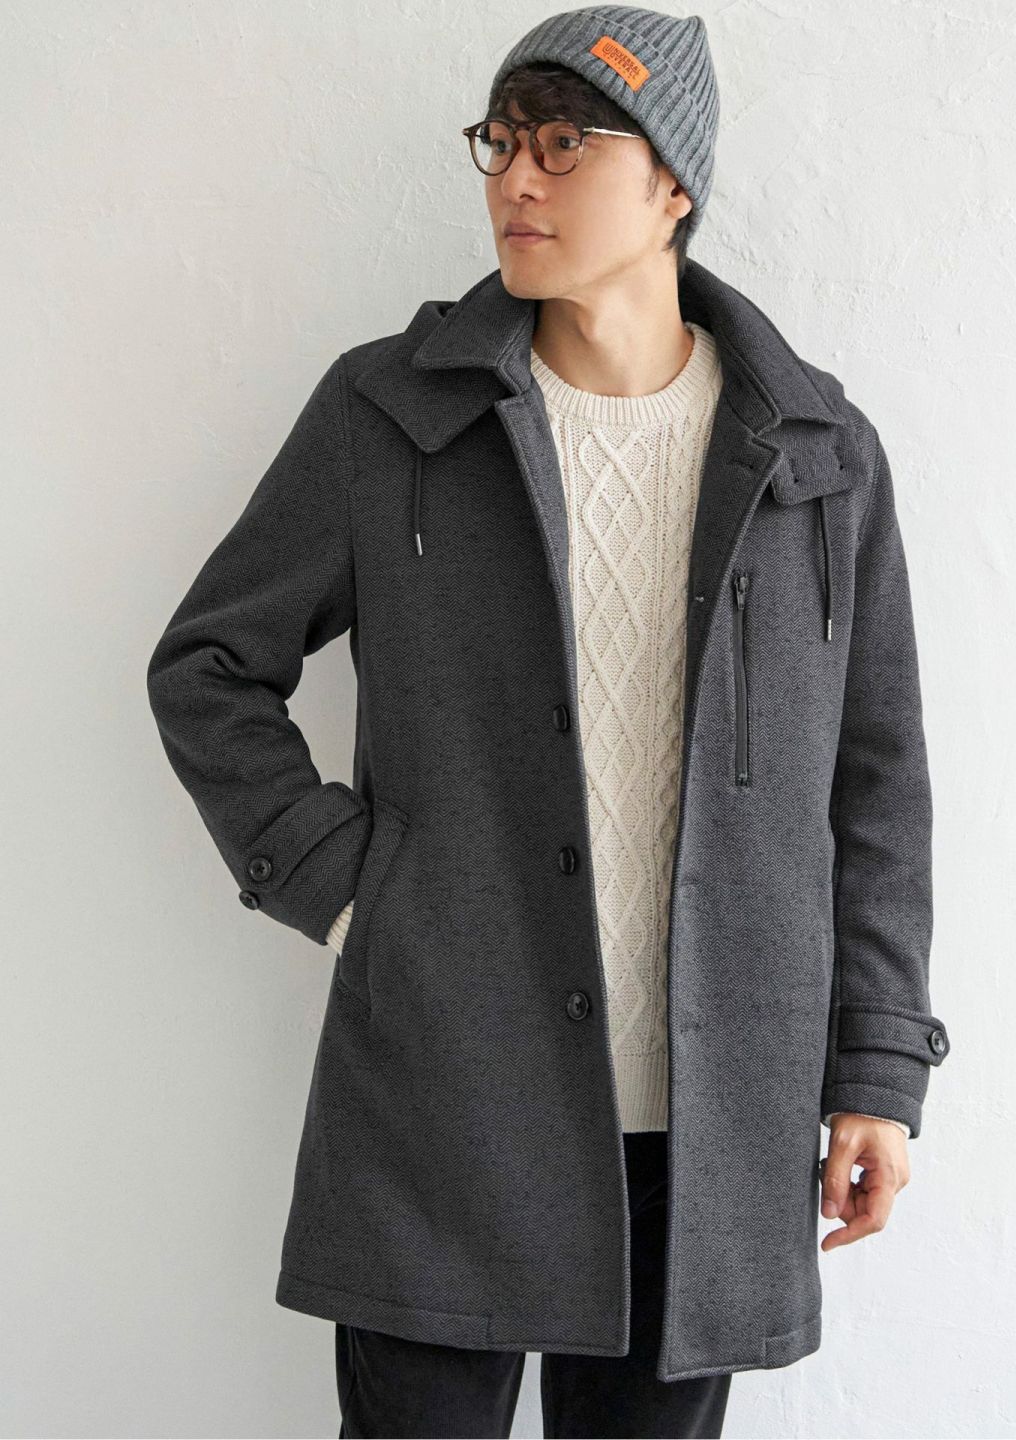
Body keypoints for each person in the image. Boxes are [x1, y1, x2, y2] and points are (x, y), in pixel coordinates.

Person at [147, 6, 949, 1437]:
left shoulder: (819, 456)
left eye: (566, 145)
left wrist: (877, 1074)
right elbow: (210, 664)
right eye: (502, 143)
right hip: (446, 1094)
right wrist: (357, 893)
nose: (517, 179)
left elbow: (874, 784)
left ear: (675, 184)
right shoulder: (393, 414)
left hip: (712, 1124)